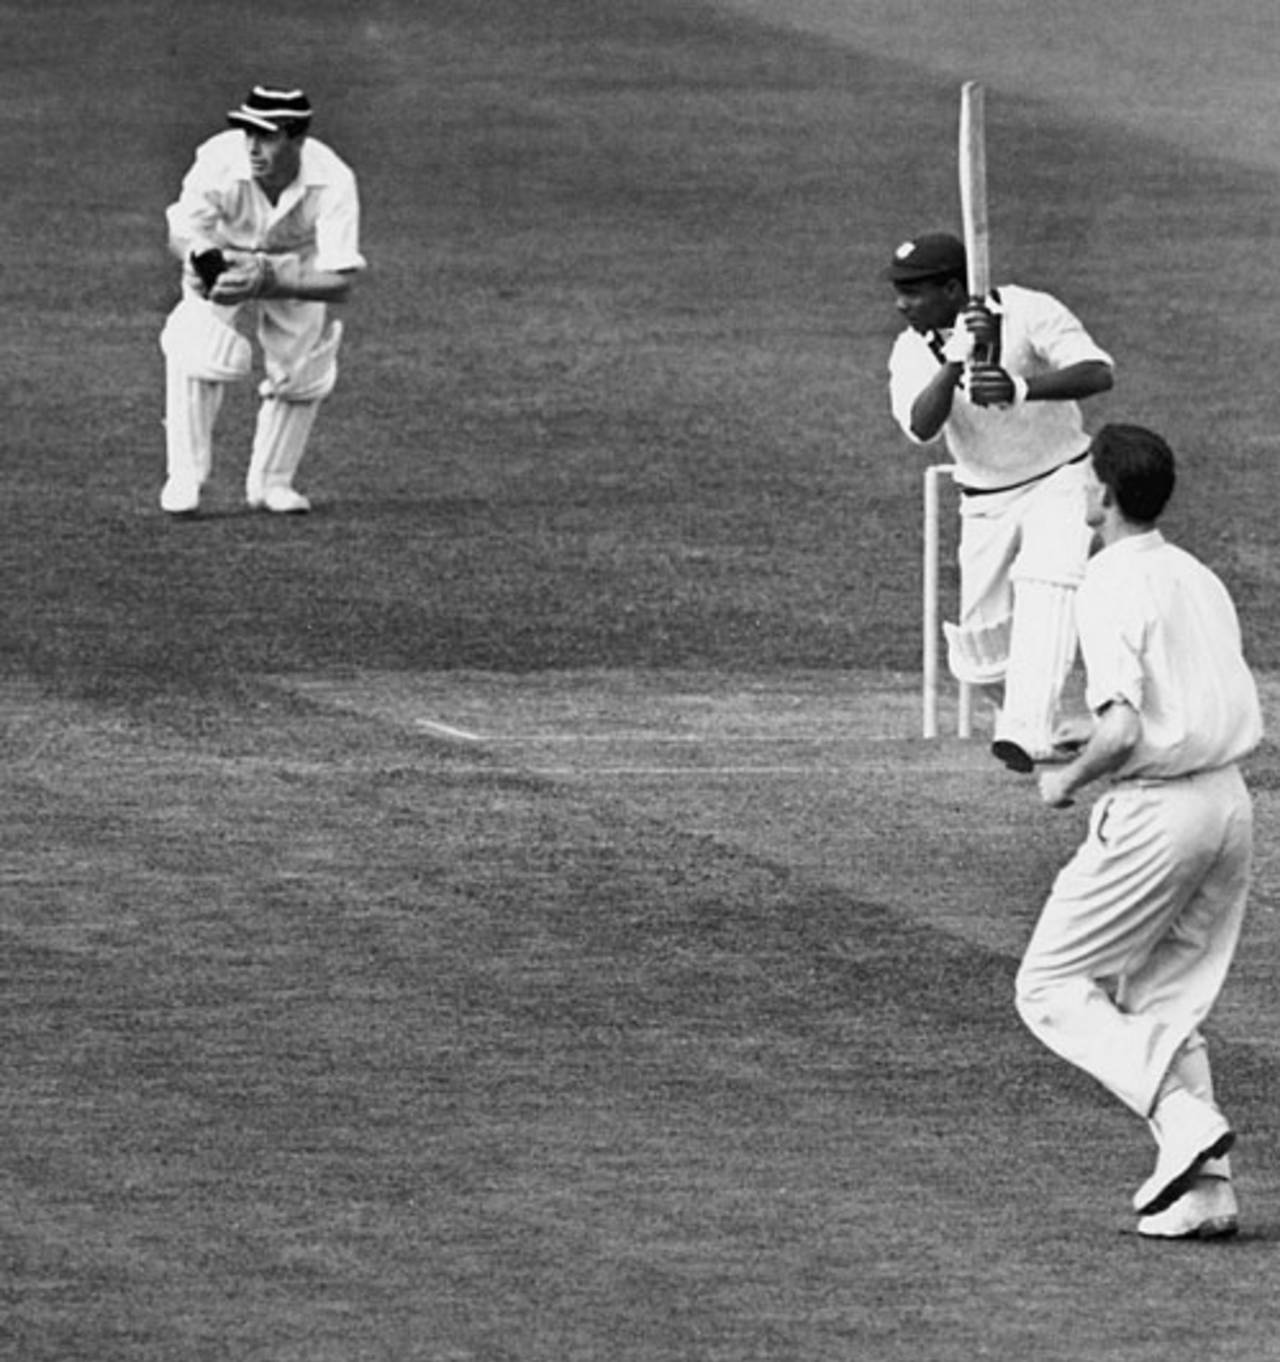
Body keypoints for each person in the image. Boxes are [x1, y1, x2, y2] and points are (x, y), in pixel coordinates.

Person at [1017, 423, 1262, 1240]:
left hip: (1160, 814)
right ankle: (1208, 1196)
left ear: (1105, 494)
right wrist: (1085, 738)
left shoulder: (1107, 579)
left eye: (1087, 478)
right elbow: (1180, 703)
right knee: (1164, 1001)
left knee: (1048, 986)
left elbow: (1125, 730)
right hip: (1228, 805)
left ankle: (1186, 1120)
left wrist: (1067, 779)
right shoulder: (1196, 575)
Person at [886, 232, 1114, 770]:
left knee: (1048, 581)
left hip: (1063, 475)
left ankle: (1025, 730)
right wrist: (954, 361)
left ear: (952, 288)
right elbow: (921, 425)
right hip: (987, 497)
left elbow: (1099, 372)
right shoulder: (910, 349)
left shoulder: (1028, 309)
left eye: (913, 292)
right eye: (899, 292)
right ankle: (1048, 728)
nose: (901, 305)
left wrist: (1020, 387)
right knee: (978, 654)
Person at [159, 84, 366, 515]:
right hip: (222, 254)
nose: (253, 147)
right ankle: (185, 477)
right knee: (197, 349)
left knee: (301, 368)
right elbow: (182, 232)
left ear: (297, 139)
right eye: (248, 133)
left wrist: (270, 278)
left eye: (267, 136)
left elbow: (341, 282)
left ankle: (273, 482)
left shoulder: (334, 179)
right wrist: (203, 260)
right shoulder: (218, 158)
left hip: (296, 264)